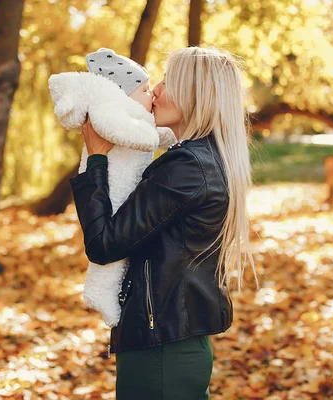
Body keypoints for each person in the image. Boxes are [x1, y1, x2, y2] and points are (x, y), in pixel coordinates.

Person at [69, 46, 258, 400]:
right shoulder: (200, 159)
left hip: (161, 350)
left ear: (194, 95)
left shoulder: (187, 167)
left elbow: (103, 244)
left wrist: (95, 159)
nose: (155, 88)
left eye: (169, 81)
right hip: (171, 342)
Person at [49, 48, 175, 328]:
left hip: (126, 189)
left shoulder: (139, 117)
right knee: (111, 251)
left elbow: (164, 135)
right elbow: (120, 129)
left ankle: (104, 293)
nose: (152, 93)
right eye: (144, 89)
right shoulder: (109, 110)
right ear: (122, 92)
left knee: (121, 247)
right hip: (112, 187)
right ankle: (99, 292)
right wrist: (150, 137)